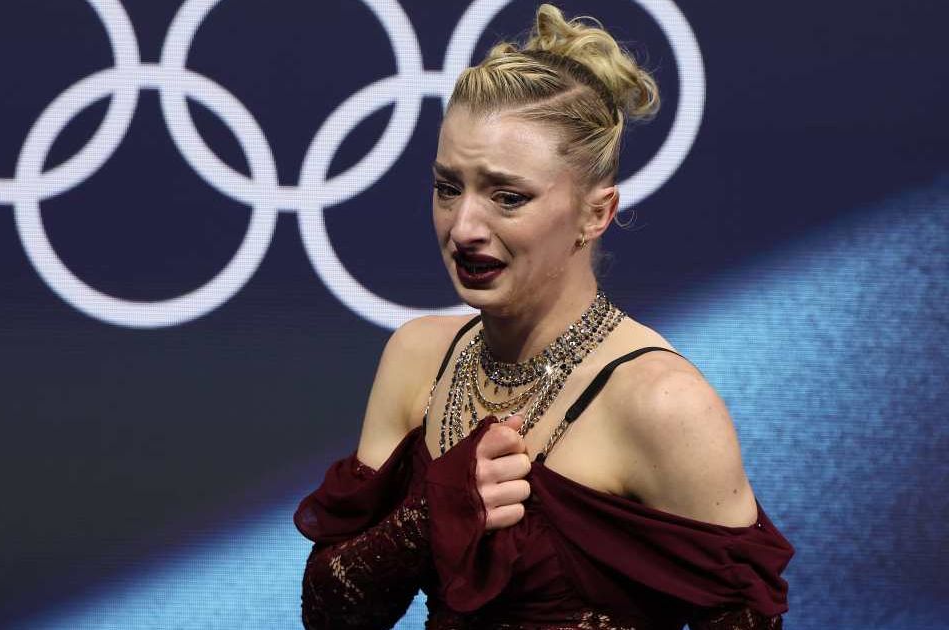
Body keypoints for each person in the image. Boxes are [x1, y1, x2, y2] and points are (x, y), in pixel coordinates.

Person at [294, 4, 794, 629]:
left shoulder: (665, 404)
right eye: (448, 188)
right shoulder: (417, 357)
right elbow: (331, 615)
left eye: (509, 196)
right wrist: (428, 515)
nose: (464, 227)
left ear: (596, 213)